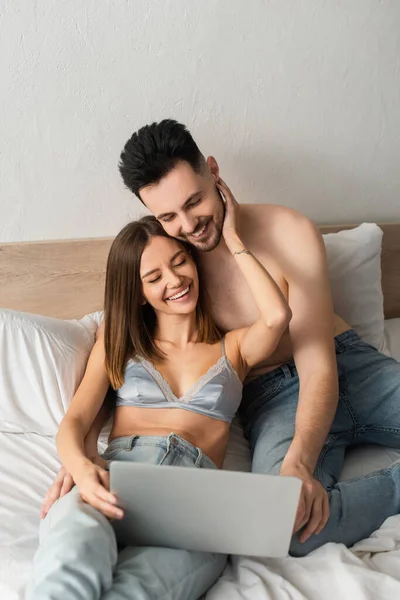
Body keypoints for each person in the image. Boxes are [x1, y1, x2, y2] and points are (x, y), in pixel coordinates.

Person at [42, 119, 400, 558]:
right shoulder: (175, 264)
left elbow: (318, 363)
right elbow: (117, 366)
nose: (189, 225)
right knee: (281, 521)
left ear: (213, 171)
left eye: (194, 202)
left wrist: (300, 463)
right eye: (168, 216)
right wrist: (78, 458)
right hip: (269, 394)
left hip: (342, 362)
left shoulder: (290, 231)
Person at [29, 191, 292, 599]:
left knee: (137, 591)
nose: (175, 281)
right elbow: (75, 422)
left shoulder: (234, 348)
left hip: (195, 502)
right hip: (117, 477)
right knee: (71, 561)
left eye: (180, 262)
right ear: (137, 294)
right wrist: (81, 469)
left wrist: (234, 239)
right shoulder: (118, 342)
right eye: (154, 278)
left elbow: (277, 316)